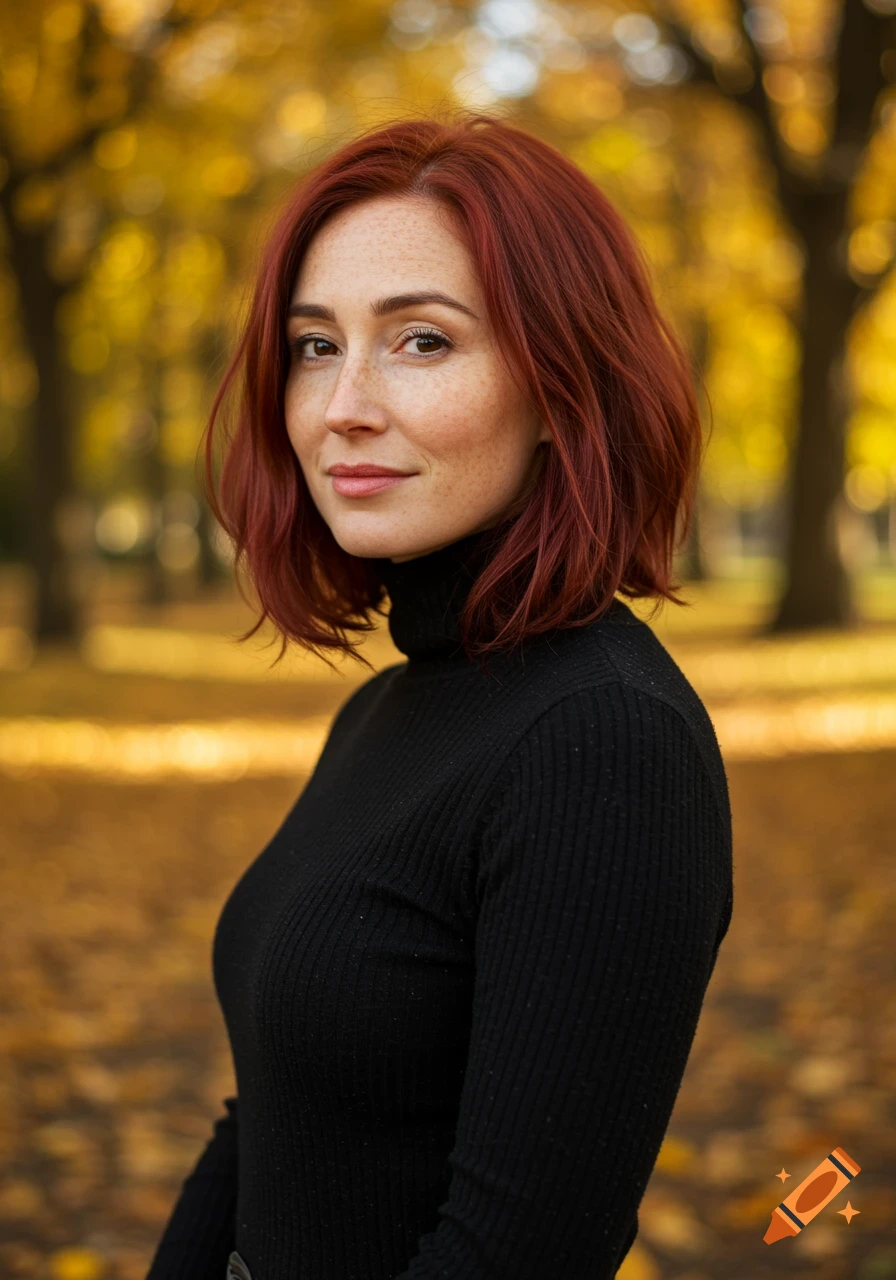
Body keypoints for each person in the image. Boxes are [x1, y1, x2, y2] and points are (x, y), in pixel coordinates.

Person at [145, 108, 734, 1280]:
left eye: (420, 341)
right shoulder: (389, 709)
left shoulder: (602, 741)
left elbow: (514, 1251)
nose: (343, 405)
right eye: (315, 345)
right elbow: (271, 1110)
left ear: (565, 384)